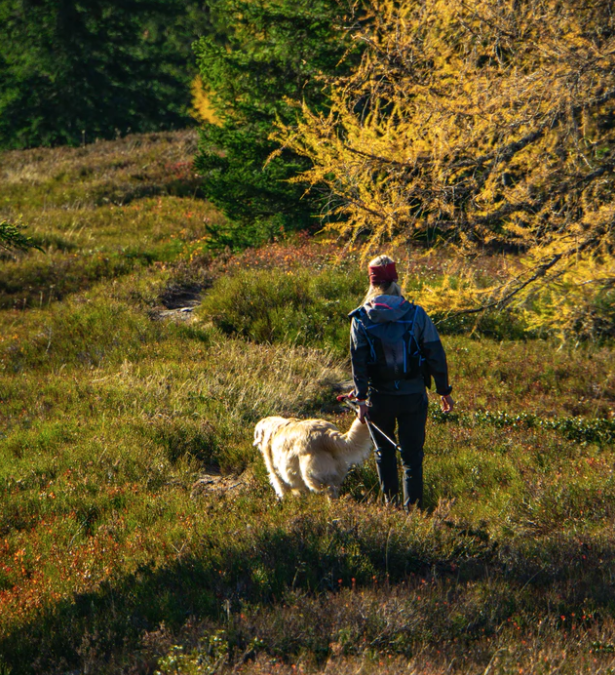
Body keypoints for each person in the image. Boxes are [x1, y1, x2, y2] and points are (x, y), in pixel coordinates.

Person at [348, 254, 454, 510]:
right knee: (412, 457)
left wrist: (360, 399)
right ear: (396, 280)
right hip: (413, 396)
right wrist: (444, 391)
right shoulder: (416, 314)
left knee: (384, 453)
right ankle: (414, 513)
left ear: (372, 284)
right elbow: (435, 354)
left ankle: (390, 509)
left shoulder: (360, 318)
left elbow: (358, 361)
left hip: (378, 398)